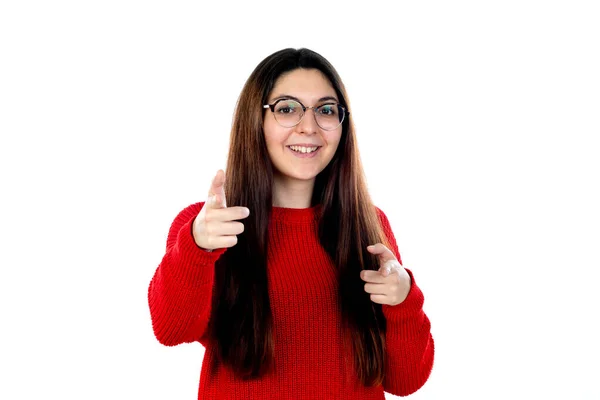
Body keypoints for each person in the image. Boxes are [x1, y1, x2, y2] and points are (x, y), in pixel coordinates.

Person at [147, 48, 434, 399]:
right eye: (287, 109)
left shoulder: (369, 225)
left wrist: (403, 300)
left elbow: (406, 381)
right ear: (257, 120)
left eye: (326, 110)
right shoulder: (209, 227)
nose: (308, 126)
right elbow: (170, 329)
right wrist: (196, 248)